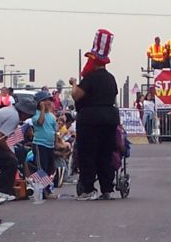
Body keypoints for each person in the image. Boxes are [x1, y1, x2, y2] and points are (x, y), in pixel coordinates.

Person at [69, 29, 119, 201]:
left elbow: (77, 95)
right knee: (105, 153)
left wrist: (74, 84)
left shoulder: (90, 78)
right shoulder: (110, 78)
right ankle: (107, 188)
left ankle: (88, 189)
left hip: (90, 120)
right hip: (110, 118)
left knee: (88, 154)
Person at [0, 97, 36, 201]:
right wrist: (10, 153)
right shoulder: (13, 117)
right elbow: (0, 139)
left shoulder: (9, 111)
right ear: (24, 113)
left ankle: (7, 187)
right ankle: (2, 190)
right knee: (11, 160)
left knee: (17, 155)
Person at [31, 91, 58, 199]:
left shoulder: (51, 116)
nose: (47, 102)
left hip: (50, 145)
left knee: (50, 167)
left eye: (49, 100)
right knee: (42, 167)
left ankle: (45, 187)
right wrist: (42, 110)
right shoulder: (36, 114)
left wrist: (55, 143)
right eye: (45, 100)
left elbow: (54, 131)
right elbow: (40, 122)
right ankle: (44, 189)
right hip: (39, 144)